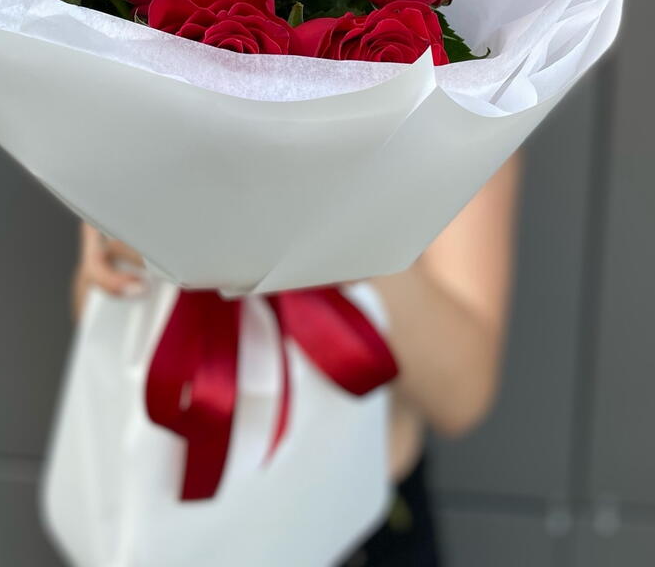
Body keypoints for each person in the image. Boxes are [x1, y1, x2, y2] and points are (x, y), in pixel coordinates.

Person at [72, 153, 522, 566]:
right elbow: (94, 317)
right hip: (159, 505)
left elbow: (462, 397)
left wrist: (320, 225)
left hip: (358, 523)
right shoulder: (141, 102)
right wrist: (126, 245)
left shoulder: (453, 104)